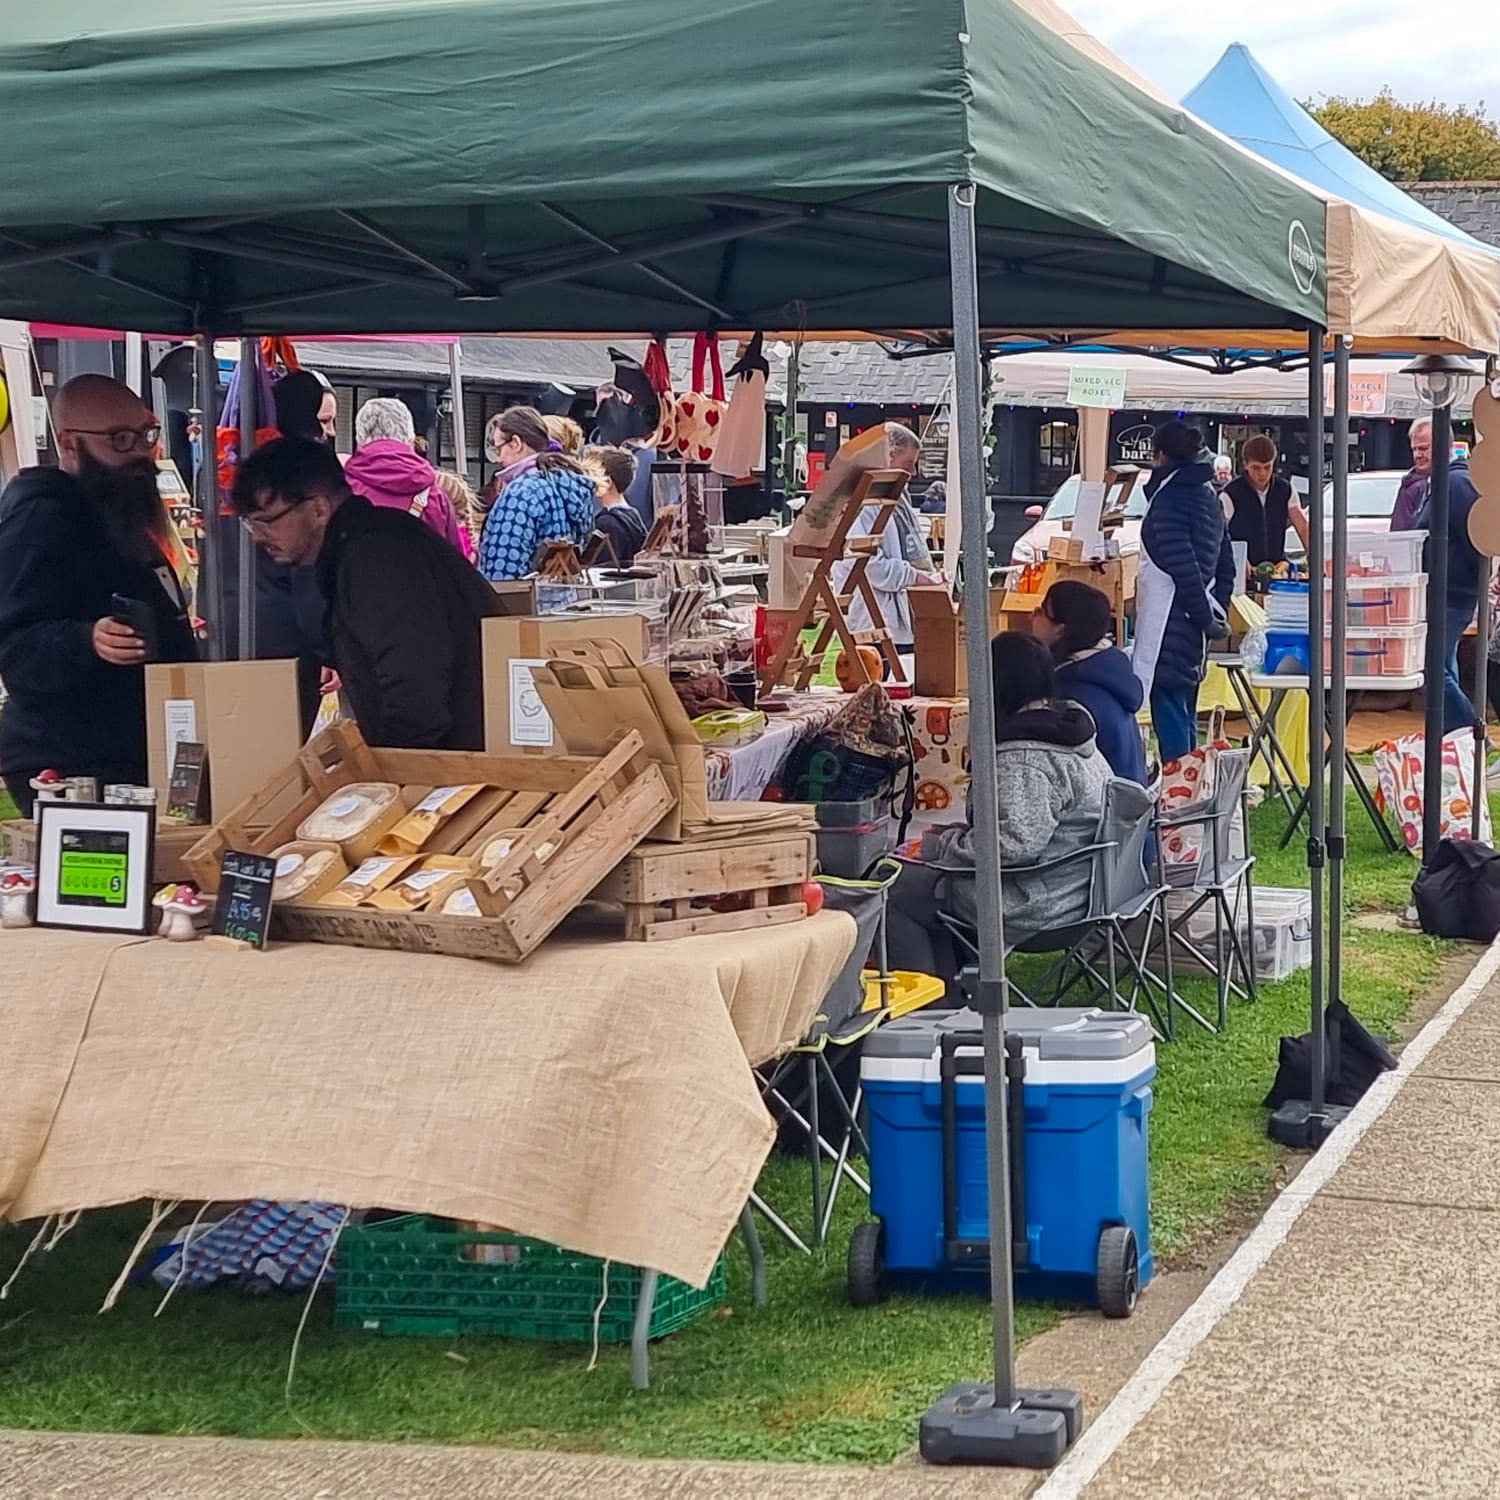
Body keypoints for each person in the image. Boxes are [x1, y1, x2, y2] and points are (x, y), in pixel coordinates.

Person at [0, 374, 197, 811]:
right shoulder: (41, 516)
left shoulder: (118, 509)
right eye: (119, 439)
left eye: (145, 434)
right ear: (69, 444)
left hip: (135, 748)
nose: (140, 453)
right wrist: (85, 640)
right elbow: (12, 643)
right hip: (71, 760)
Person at [232, 438, 501, 751]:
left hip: (458, 762)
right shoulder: (361, 546)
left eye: (265, 522)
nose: (257, 537)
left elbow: (414, 688)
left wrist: (390, 776)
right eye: (250, 524)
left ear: (318, 509)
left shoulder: (375, 557)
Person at [885, 633, 1111, 985]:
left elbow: (1014, 845)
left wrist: (940, 846)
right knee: (922, 882)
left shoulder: (1025, 759)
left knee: (893, 890)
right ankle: (952, 992)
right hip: (1076, 888)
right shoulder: (1069, 732)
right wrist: (954, 839)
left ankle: (924, 1010)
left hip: (1038, 903)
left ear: (994, 685)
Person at [1133, 421, 1236, 763]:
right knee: (1185, 712)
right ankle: (1194, 796)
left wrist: (1206, 617)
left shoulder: (1171, 501)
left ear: (1160, 456)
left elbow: (1184, 569)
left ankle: (1181, 802)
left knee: (1173, 716)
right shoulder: (1209, 496)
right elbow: (1226, 566)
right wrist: (1215, 611)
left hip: (1171, 623)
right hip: (1194, 621)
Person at [835, 422, 944, 651]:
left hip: (903, 622)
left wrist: (929, 576)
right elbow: (870, 565)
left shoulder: (897, 496)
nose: (913, 473)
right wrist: (919, 578)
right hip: (875, 623)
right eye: (909, 464)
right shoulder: (863, 501)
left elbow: (912, 548)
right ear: (888, 457)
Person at [1035, 580, 1147, 783]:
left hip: (1099, 809)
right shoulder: (1106, 672)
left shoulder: (1073, 694)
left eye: (1042, 611)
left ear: (1061, 629)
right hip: (1128, 805)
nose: (1033, 615)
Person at [477, 406, 598, 582]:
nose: (498, 458)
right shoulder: (564, 483)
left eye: (499, 449)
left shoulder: (520, 493)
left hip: (524, 604)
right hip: (563, 599)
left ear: (516, 443)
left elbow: (503, 569)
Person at [1414, 443, 1483, 733]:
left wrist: (1472, 577)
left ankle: (1471, 729)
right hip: (1440, 590)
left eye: (1426, 447)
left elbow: (1476, 535)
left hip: (1453, 591)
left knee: (1432, 665)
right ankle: (1454, 739)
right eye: (1415, 448)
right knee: (1444, 663)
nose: (1419, 454)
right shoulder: (1435, 483)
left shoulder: (1455, 482)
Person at [344, 397, 468, 555]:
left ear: (359, 440)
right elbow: (456, 565)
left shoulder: (343, 491)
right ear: (410, 440)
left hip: (358, 578)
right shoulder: (436, 498)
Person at [1221, 435, 1307, 568]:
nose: (1262, 473)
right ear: (1245, 465)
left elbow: (1302, 527)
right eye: (1256, 467)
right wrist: (1237, 558)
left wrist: (1315, 559)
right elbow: (1218, 533)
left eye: (1267, 467)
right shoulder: (1230, 493)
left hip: (1277, 568)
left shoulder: (1285, 490)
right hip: (1240, 570)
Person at [582, 445, 648, 565]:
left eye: (591, 474)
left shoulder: (606, 523)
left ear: (607, 482)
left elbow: (596, 565)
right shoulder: (633, 515)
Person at [1392, 418, 1432, 533]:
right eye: (1414, 449)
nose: (1418, 455)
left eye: (1423, 448)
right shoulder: (1413, 485)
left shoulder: (1412, 483)